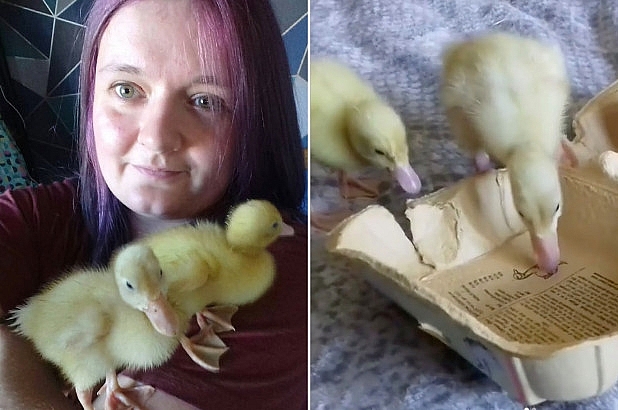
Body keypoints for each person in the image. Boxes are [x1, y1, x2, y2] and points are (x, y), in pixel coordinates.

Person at [0, 0, 308, 409]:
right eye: (126, 90)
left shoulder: (289, 279)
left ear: (257, 119)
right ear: (91, 98)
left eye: (205, 101)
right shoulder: (38, 216)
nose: (157, 139)